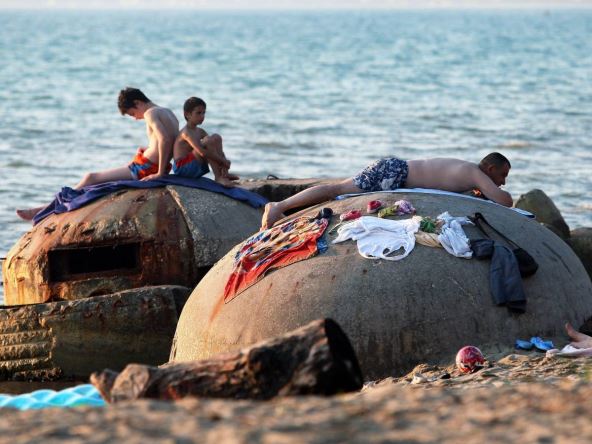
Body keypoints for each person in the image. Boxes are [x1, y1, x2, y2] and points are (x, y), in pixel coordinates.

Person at [16, 87, 179, 221]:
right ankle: (45, 207)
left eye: (132, 114)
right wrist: (158, 162)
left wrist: (158, 173)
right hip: (147, 164)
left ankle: (43, 210)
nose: (136, 118)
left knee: (90, 178)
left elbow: (164, 139)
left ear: (137, 103)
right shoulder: (168, 112)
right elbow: (169, 142)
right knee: (94, 183)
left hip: (144, 168)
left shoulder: (150, 113)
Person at [261, 152, 513, 230]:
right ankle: (278, 206)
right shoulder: (475, 173)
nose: (502, 182)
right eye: (502, 175)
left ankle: (283, 208)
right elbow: (505, 201)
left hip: (395, 170)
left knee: (337, 190)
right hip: (395, 173)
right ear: (489, 168)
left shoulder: (470, 173)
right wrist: (491, 190)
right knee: (335, 190)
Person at [172, 97, 238, 187]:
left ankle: (224, 174)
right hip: (183, 168)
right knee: (207, 141)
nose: (202, 116)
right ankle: (218, 177)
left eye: (203, 113)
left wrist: (224, 161)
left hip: (193, 165)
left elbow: (213, 145)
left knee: (216, 137)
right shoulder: (186, 132)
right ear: (187, 114)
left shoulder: (200, 131)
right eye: (198, 113)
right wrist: (223, 161)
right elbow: (202, 152)